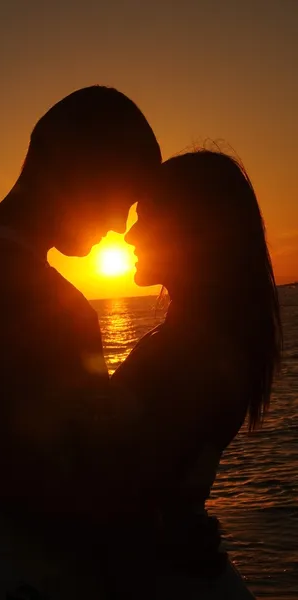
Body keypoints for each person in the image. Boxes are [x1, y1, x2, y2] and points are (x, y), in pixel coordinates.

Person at [0, 86, 162, 599]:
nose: (121, 226)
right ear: (83, 168)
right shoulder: (5, 279)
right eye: (125, 198)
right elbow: (18, 475)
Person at [111, 150, 282, 598]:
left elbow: (125, 492)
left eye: (146, 216)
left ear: (190, 228)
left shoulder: (194, 353)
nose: (129, 234)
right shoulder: (204, 339)